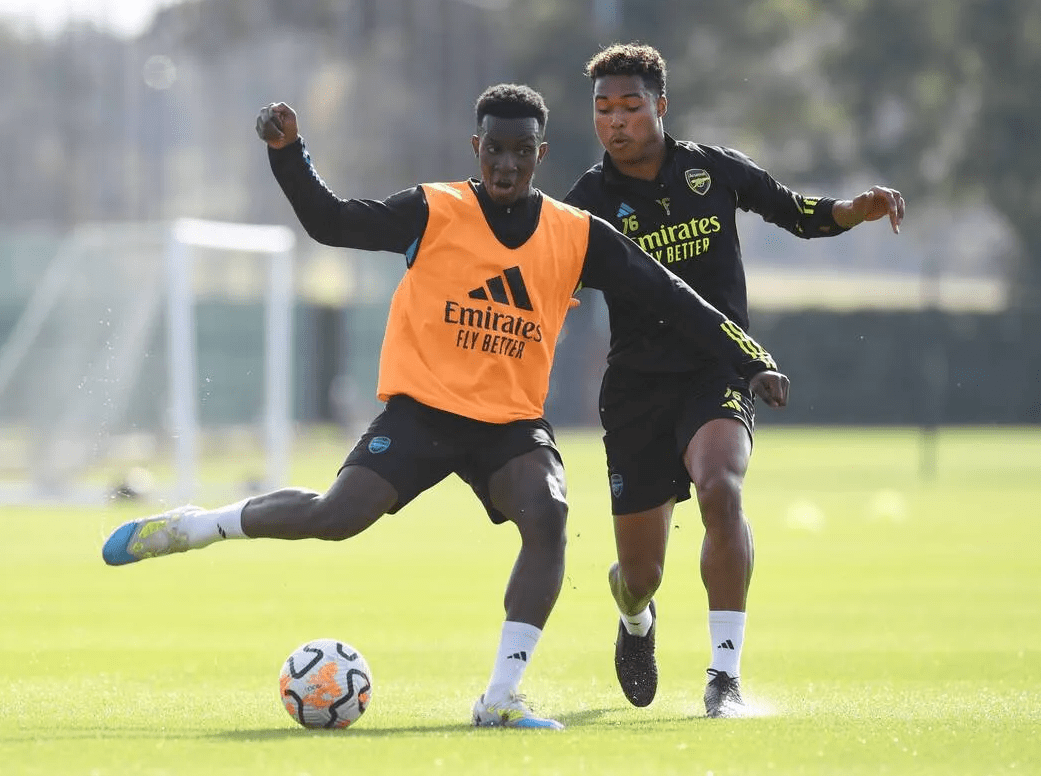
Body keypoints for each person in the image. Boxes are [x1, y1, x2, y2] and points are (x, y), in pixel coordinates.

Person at [101, 83, 788, 730]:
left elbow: (672, 296)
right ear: (476, 147)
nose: (507, 163)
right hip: (424, 411)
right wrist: (288, 155)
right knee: (333, 519)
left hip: (511, 425)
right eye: (495, 148)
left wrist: (749, 357)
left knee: (547, 518)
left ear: (540, 155)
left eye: (522, 150)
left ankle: (499, 697)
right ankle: (201, 526)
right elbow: (331, 222)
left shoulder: (574, 233)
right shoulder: (432, 210)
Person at [564, 43, 905, 718]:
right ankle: (635, 618)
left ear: (660, 106)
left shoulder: (709, 169)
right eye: (603, 110)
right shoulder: (586, 201)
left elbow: (796, 213)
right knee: (640, 575)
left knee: (720, 489)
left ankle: (724, 677)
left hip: (716, 370)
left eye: (630, 106)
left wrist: (851, 209)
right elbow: (548, 273)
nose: (616, 121)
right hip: (634, 389)